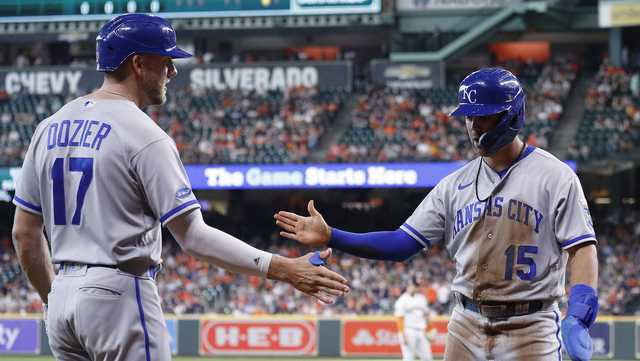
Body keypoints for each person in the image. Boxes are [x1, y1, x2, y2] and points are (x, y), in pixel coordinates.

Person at [11, 13, 349, 361]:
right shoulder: (143, 133)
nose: (172, 72)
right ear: (139, 64)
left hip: (62, 296)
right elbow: (194, 237)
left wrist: (56, 298)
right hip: (117, 293)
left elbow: (24, 234)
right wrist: (285, 268)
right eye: (166, 61)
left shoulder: (48, 127)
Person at [275, 67, 598, 361]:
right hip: (466, 323)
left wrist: (580, 309)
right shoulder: (453, 185)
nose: (474, 126)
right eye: (469, 118)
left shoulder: (555, 176)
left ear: (511, 114)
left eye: (484, 116)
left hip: (531, 326)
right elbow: (401, 244)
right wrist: (333, 236)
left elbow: (582, 246)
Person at [394, 282, 433, 361]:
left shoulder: (422, 298)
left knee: (427, 357)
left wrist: (429, 330)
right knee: (409, 357)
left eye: (417, 286)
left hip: (421, 331)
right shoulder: (402, 300)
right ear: (408, 286)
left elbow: (426, 315)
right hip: (408, 330)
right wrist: (402, 335)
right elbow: (399, 318)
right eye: (413, 286)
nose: (415, 288)